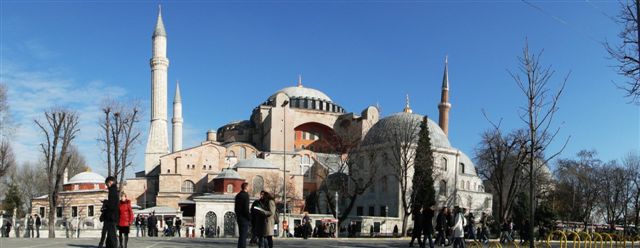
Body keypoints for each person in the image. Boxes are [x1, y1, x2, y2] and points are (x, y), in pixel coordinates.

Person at [103, 176, 119, 248]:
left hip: (112, 216)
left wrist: (106, 202)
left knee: (112, 235)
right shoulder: (114, 190)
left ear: (110, 182)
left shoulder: (112, 191)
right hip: (113, 216)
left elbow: (112, 205)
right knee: (110, 234)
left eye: (107, 184)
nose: (107, 186)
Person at [234, 182, 250, 248]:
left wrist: (238, 214)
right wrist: (249, 217)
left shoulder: (238, 195)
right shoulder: (246, 195)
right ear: (246, 187)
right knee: (244, 236)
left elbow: (236, 208)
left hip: (239, 217)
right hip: (244, 218)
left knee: (241, 235)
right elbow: (246, 208)